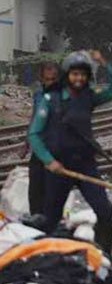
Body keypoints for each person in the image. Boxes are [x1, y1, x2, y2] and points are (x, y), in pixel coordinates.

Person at [28, 50, 112, 258]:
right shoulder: (50, 99)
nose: (79, 78)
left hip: (85, 165)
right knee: (50, 220)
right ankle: (46, 260)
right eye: (75, 74)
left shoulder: (89, 97)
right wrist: (49, 161)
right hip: (59, 169)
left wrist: (104, 64)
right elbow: (34, 134)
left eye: (83, 74)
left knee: (105, 211)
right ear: (67, 75)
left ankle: (105, 258)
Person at [19, 62, 61, 216]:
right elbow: (34, 118)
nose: (50, 83)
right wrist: (26, 143)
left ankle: (50, 218)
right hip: (39, 147)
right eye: (47, 79)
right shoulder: (38, 95)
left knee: (53, 187)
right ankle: (36, 217)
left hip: (56, 148)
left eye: (53, 79)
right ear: (42, 79)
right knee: (35, 185)